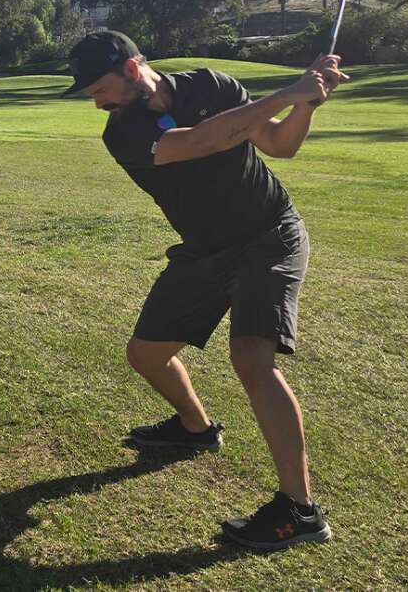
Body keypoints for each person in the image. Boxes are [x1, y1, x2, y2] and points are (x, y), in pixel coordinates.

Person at [65, 30, 347, 551]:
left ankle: (300, 511)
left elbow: (281, 146)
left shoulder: (211, 85)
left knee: (251, 358)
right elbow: (200, 142)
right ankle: (195, 428)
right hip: (205, 249)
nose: (95, 100)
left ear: (131, 70)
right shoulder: (122, 133)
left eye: (98, 87)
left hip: (269, 236)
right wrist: (288, 92)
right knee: (146, 354)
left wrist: (308, 102)